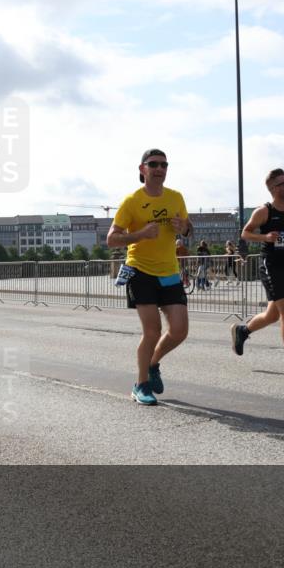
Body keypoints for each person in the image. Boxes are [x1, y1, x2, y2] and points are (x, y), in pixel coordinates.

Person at [107, 148, 192, 406]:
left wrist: (185, 227)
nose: (159, 169)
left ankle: (153, 363)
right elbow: (111, 239)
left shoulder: (176, 197)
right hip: (140, 271)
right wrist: (140, 234)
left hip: (169, 272)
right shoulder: (132, 201)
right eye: (153, 164)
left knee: (179, 331)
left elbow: (189, 228)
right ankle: (141, 384)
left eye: (164, 165)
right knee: (152, 330)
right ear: (142, 169)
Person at [231, 168, 284, 380]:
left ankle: (243, 331)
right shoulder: (264, 211)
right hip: (272, 266)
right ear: (275, 188)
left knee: (273, 315)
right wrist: (266, 238)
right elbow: (245, 233)